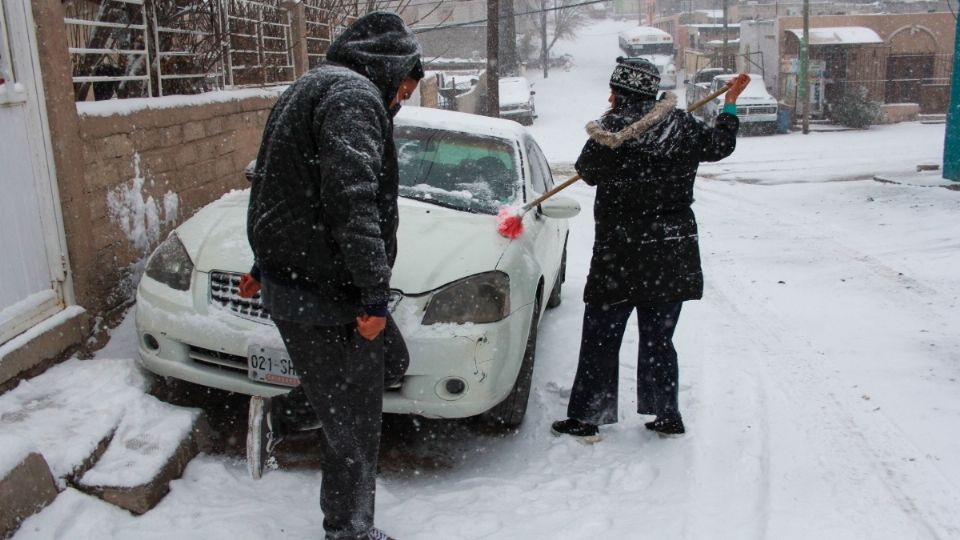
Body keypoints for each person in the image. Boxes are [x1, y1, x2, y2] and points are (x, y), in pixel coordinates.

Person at [242, 11, 423, 540]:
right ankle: (349, 531)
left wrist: (262, 264)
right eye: (405, 88)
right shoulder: (352, 99)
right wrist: (372, 299)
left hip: (299, 281)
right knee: (355, 427)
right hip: (327, 293)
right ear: (388, 67)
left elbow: (278, 189)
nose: (402, 99)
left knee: (393, 361)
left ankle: (283, 413)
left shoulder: (311, 86)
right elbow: (351, 203)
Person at [551, 57, 750, 443]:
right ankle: (667, 414)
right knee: (660, 338)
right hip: (669, 251)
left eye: (613, 89)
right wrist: (729, 104)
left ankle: (587, 416)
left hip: (619, 253)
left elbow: (587, 171)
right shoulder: (681, 125)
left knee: (601, 336)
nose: (609, 95)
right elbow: (721, 145)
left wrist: (611, 133)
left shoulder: (610, 131)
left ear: (622, 91)